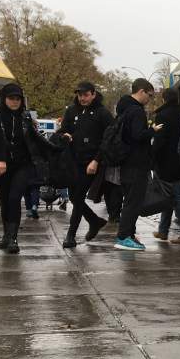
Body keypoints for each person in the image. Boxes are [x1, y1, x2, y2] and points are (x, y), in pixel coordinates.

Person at [0, 83, 50, 254]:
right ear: (4, 99)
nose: (15, 102)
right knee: (4, 200)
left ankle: (13, 237)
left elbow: (37, 140)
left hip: (23, 165)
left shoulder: (26, 118)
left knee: (15, 198)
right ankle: (6, 235)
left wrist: (55, 146)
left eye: (18, 99)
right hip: (1, 164)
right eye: (11, 98)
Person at [58, 81, 114, 248]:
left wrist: (97, 160)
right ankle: (94, 221)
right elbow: (63, 129)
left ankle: (71, 235)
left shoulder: (102, 113)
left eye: (86, 95)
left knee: (78, 196)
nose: (82, 98)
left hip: (91, 162)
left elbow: (109, 137)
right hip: (73, 160)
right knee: (74, 197)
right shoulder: (71, 110)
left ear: (93, 94)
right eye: (80, 95)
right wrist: (65, 134)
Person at [113, 78, 161, 251]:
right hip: (136, 163)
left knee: (129, 201)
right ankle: (124, 237)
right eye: (149, 95)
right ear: (141, 91)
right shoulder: (137, 111)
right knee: (133, 202)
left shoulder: (123, 109)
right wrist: (152, 131)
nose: (150, 99)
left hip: (126, 162)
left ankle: (129, 235)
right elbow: (137, 136)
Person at [151, 87, 180, 244]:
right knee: (168, 197)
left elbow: (159, 141)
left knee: (176, 198)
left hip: (166, 163)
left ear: (164, 99)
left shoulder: (162, 116)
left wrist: (152, 158)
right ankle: (163, 230)